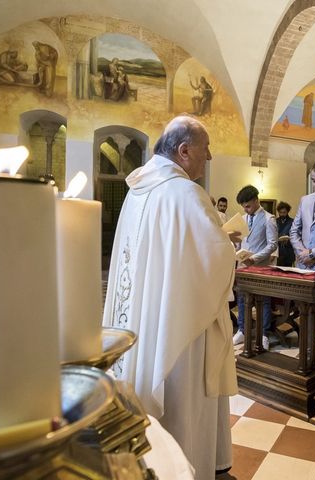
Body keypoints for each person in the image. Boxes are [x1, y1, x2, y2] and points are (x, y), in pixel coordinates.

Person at [102, 115, 239, 479]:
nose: (208, 158)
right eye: (205, 149)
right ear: (184, 151)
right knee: (184, 404)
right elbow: (215, 257)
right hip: (179, 325)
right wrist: (229, 245)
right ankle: (184, 466)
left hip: (142, 319)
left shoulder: (138, 189)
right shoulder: (184, 192)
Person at [232, 185, 278, 351]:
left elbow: (272, 244)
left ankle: (264, 333)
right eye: (243, 206)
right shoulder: (242, 219)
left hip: (261, 266)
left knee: (263, 300)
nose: (246, 209)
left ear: (256, 200)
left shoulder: (268, 218)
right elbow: (239, 242)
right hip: (244, 265)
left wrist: (255, 258)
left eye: (248, 205)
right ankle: (242, 330)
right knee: (242, 299)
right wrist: (235, 249)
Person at [276, 201, 295, 267]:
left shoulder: (292, 222)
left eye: (284, 212)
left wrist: (289, 239)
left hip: (288, 251)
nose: (282, 214)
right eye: (280, 212)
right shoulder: (275, 221)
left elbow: (295, 236)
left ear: (287, 212)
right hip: (278, 251)